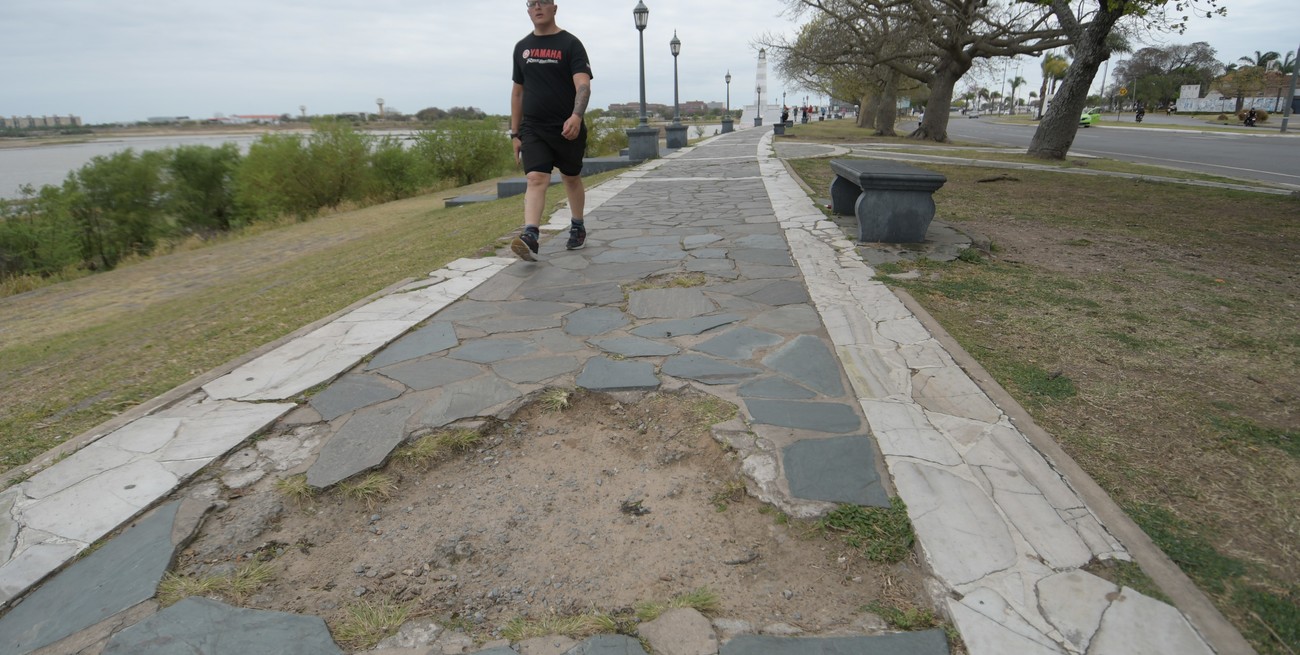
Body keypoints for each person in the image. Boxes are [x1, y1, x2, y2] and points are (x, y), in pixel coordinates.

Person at [509, 0, 593, 261]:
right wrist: (514, 133)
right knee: (536, 178)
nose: (537, 7)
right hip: (533, 127)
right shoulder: (522, 48)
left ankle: (577, 225)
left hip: (567, 126)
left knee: (571, 178)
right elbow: (518, 92)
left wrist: (576, 116)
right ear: (528, 10)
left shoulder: (570, 44)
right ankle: (531, 236)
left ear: (554, 8)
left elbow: (583, 85)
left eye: (543, 2)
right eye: (531, 3)